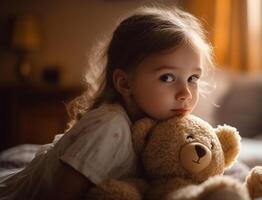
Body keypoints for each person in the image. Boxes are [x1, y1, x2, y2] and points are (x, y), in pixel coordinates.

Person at [0, 5, 214, 200]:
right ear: (125, 83)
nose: (185, 93)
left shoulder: (162, 129)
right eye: (167, 77)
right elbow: (59, 194)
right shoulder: (110, 128)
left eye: (193, 78)